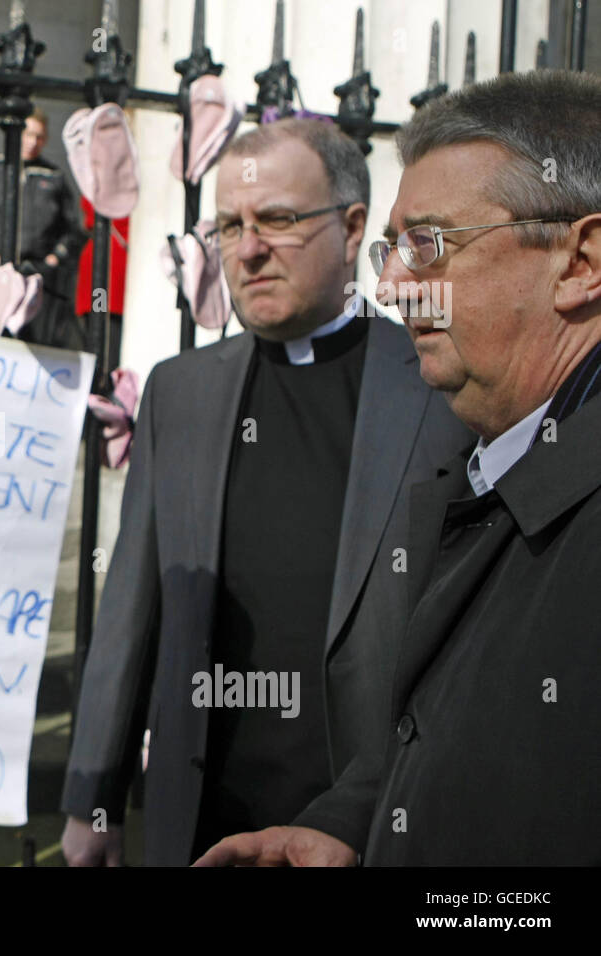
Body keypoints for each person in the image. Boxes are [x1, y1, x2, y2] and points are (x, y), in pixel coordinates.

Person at [201, 70, 601, 867]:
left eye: (428, 246)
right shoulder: (495, 466)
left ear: (581, 261)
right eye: (392, 249)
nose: (389, 288)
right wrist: (352, 825)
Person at [61, 118, 472, 866]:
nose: (246, 250)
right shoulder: (181, 391)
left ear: (352, 230)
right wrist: (94, 796)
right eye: (229, 227)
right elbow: (131, 609)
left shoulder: (438, 384)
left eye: (277, 221)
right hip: (201, 823)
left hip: (372, 827)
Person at [0, 107, 86, 349]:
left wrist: (55, 257)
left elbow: (72, 226)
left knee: (38, 345)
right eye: (28, 134)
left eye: (39, 136)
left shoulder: (54, 176)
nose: (33, 142)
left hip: (40, 274)